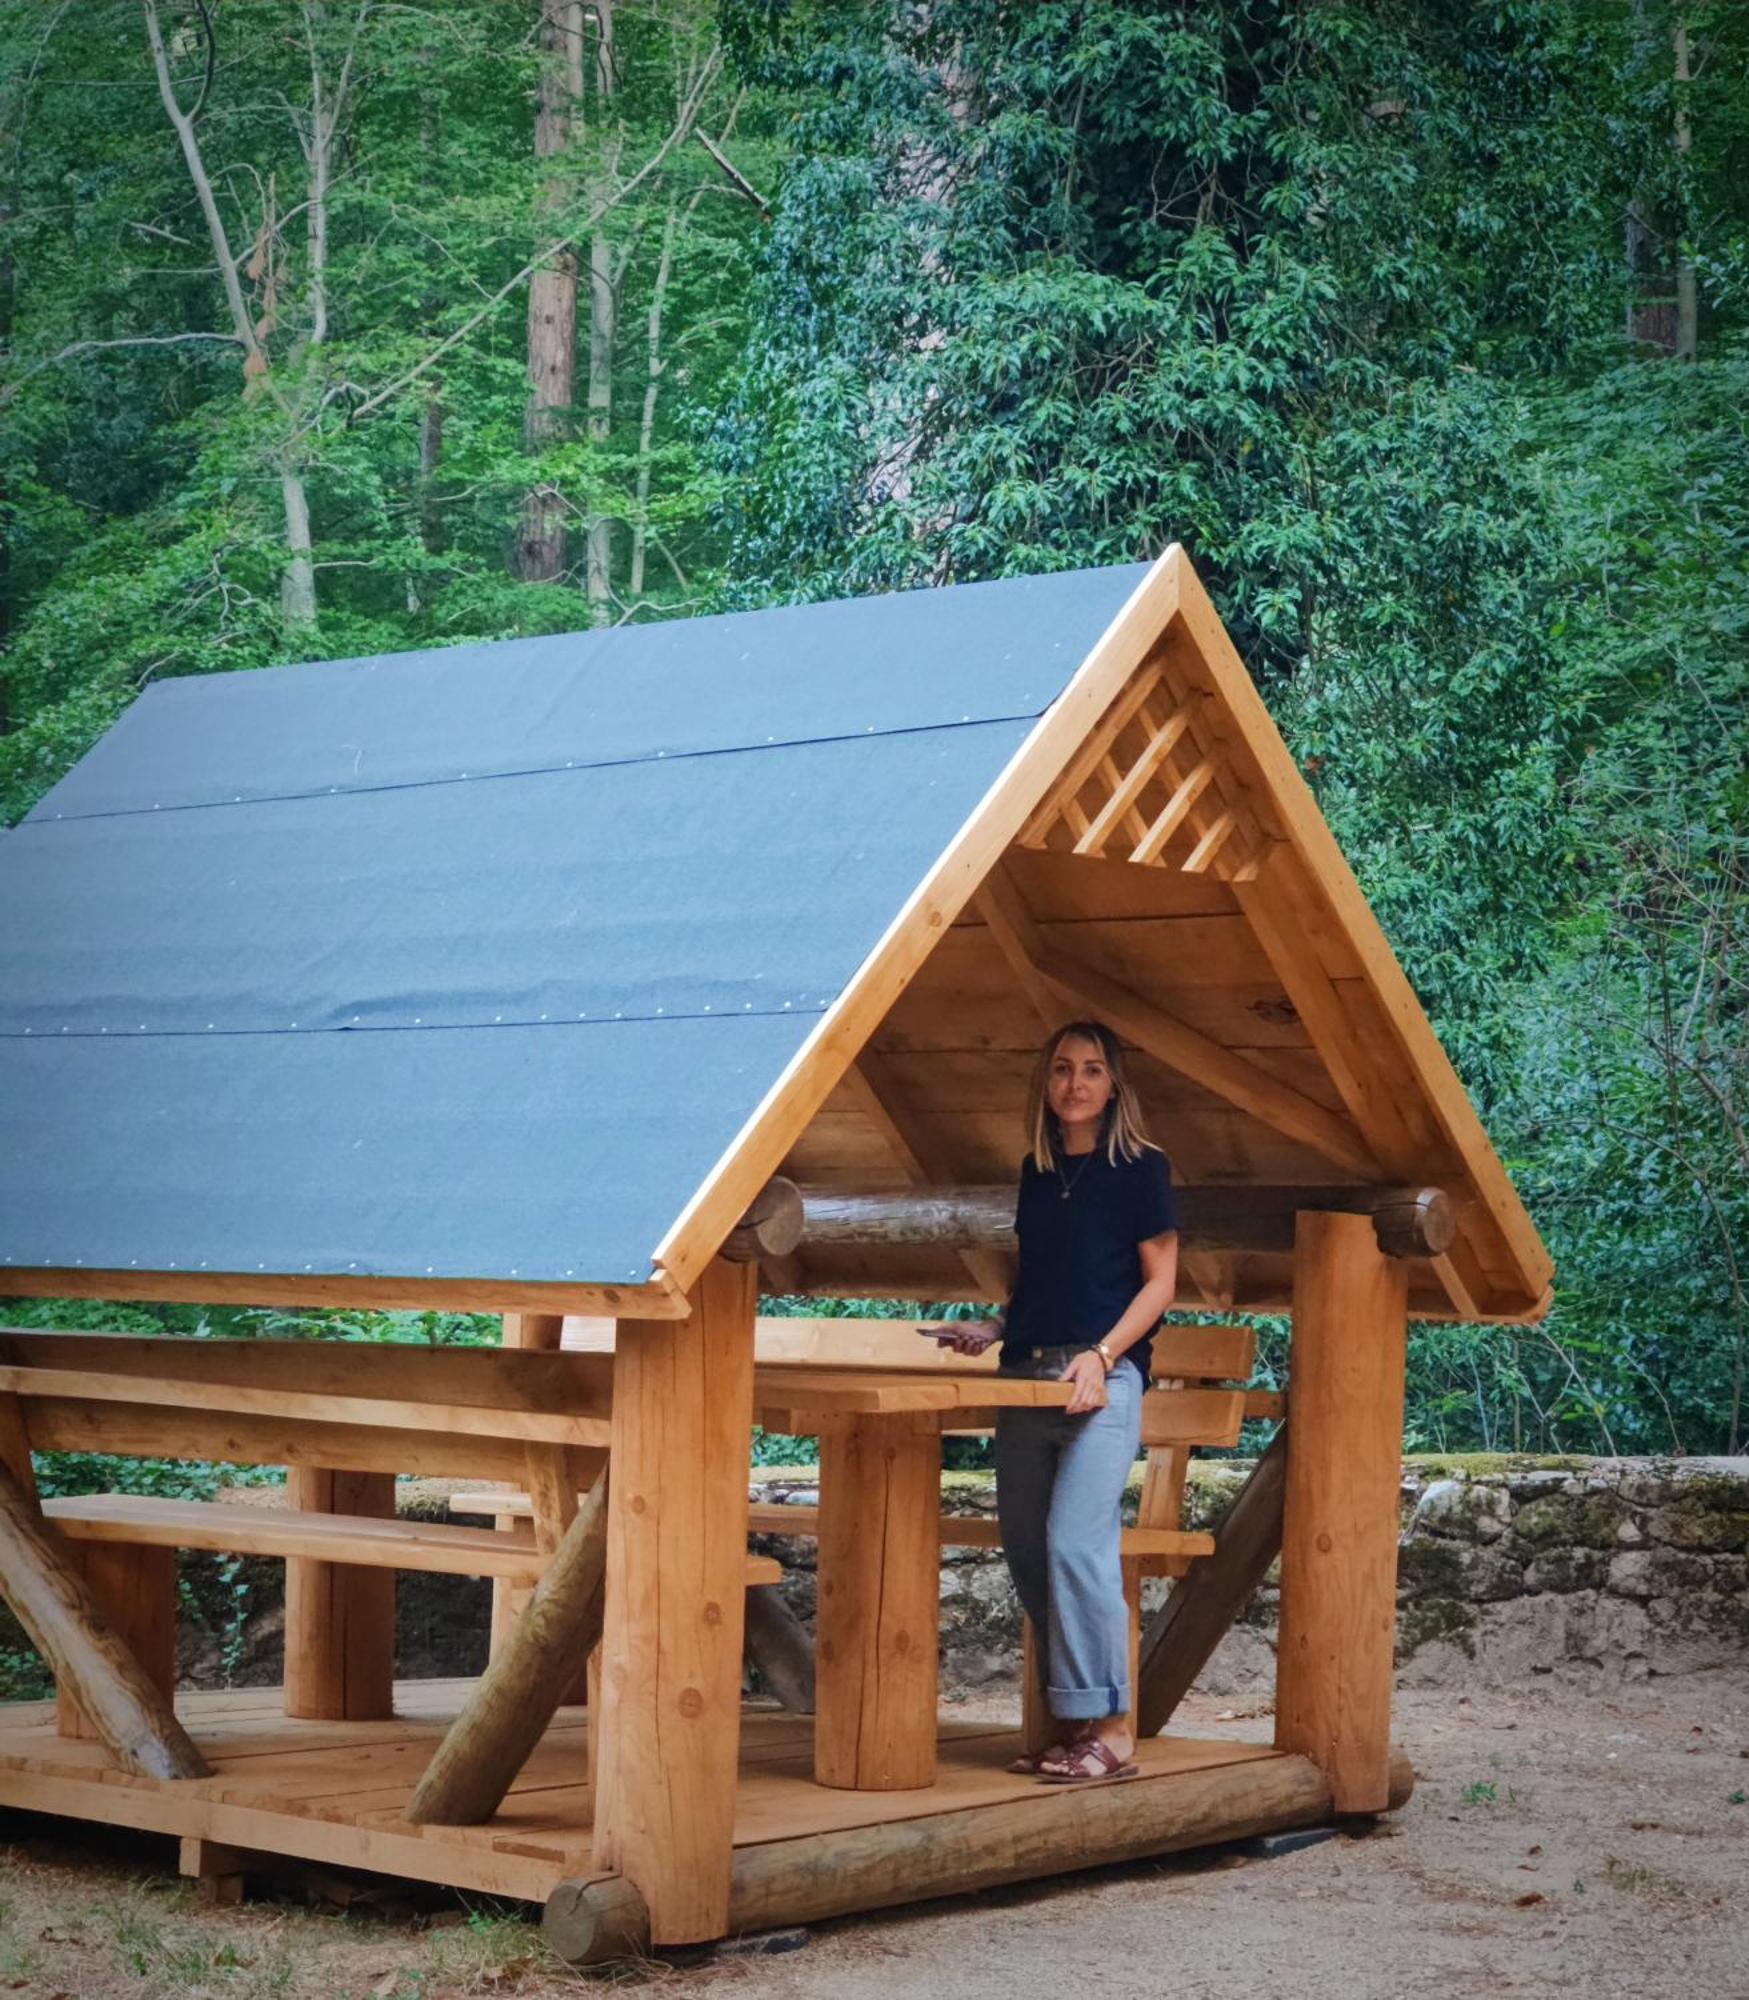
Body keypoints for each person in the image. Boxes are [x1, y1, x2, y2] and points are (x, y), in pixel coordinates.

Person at [924, 1019, 1178, 1784]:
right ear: (1046, 1081)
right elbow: (1045, 1278)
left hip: (1101, 1383)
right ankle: (1078, 1727)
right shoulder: (1036, 1171)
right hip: (1025, 1375)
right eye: (1063, 1069)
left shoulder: (1140, 1168)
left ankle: (1114, 1730)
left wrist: (1103, 1357)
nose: (1075, 1084)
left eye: (1091, 1071)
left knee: (1075, 1544)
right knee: (1028, 1548)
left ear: (1113, 1085)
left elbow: (1159, 1284)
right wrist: (992, 1325)